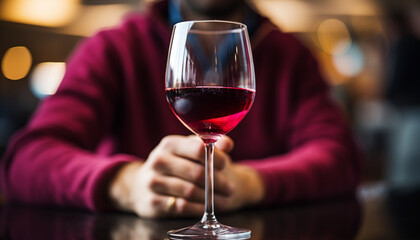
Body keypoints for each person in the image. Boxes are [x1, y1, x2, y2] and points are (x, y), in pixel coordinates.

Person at [0, 0, 363, 218]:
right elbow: (25, 160)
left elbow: (341, 158)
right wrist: (126, 185)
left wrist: (251, 184)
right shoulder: (114, 48)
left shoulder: (291, 56)